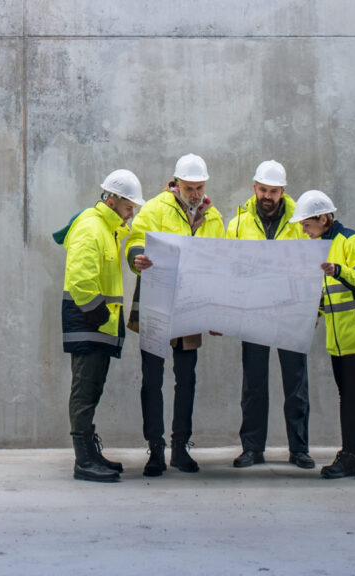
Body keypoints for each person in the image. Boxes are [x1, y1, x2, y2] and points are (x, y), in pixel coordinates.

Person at [124, 154, 225, 477]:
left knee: (187, 378)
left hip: (190, 303)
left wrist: (216, 310)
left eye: (199, 187)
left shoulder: (214, 217)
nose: (195, 193)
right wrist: (137, 257)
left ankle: (180, 448)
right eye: (189, 187)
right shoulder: (154, 209)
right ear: (176, 183)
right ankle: (155, 449)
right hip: (156, 299)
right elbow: (136, 239)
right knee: (152, 379)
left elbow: (219, 262)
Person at [291, 189, 355, 480]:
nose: (304, 230)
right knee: (347, 397)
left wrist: (339, 270)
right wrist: (317, 313)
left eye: (307, 224)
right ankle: (349, 455)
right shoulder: (320, 246)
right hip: (339, 341)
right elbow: (330, 295)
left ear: (323, 218)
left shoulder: (352, 240)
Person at [54, 169, 146, 482]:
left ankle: (90, 453)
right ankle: (83, 461)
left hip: (97, 325)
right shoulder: (92, 228)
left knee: (92, 389)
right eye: (129, 204)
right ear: (113, 199)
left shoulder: (108, 229)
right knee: (84, 391)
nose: (132, 211)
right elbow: (80, 281)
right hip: (89, 323)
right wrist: (100, 316)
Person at [227, 161, 315, 470]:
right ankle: (252, 449)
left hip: (291, 312)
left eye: (274, 191)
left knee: (296, 384)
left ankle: (299, 449)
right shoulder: (237, 224)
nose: (268, 196)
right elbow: (229, 270)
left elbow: (314, 267)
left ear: (283, 191)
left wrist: (313, 307)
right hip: (254, 313)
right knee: (253, 384)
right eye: (263, 190)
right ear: (254, 188)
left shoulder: (300, 221)